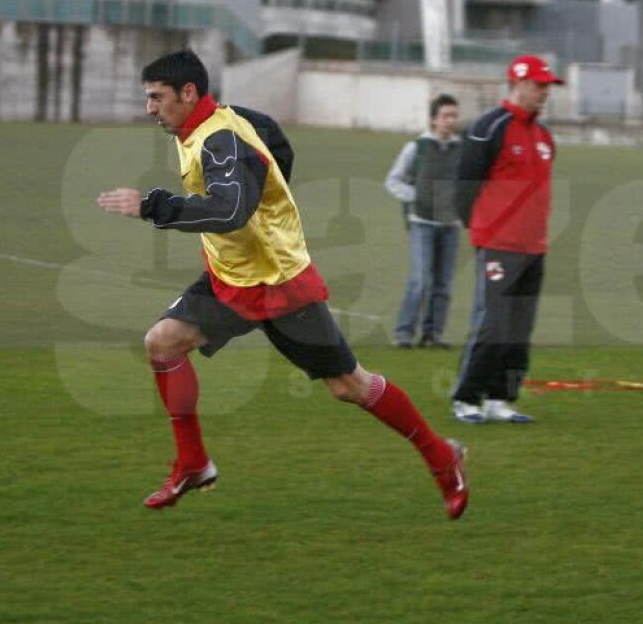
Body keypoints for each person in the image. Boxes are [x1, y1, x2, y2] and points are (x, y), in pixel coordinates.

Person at [95, 50, 468, 518]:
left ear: (188, 93)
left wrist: (154, 205)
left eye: (156, 97)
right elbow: (276, 140)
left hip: (278, 284)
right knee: (163, 342)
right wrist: (272, 192)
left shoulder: (220, 140)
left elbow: (230, 211)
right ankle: (193, 463)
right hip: (231, 276)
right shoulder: (218, 121)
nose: (150, 108)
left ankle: (442, 456)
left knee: (349, 385)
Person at [449, 55, 563, 424]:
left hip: (534, 247)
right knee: (493, 323)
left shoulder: (544, 136)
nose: (544, 92)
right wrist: (481, 230)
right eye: (538, 85)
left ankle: (500, 399)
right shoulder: (489, 127)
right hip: (499, 244)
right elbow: (465, 185)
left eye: (547, 86)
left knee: (519, 328)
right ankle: (466, 398)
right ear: (517, 83)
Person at [384, 94, 463, 349]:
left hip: (451, 226)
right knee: (420, 280)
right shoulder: (416, 148)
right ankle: (404, 334)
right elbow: (393, 180)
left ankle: (433, 335)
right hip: (422, 223)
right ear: (433, 119)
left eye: (454, 116)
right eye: (445, 116)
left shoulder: (461, 149)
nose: (450, 121)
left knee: (444, 284)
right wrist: (416, 196)